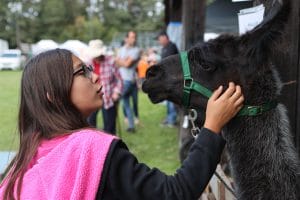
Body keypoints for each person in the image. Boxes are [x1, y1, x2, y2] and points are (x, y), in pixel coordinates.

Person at [0, 49, 244, 200]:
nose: (94, 76)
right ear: (52, 95)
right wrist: (212, 126)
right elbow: (174, 193)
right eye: (82, 72)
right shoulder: (90, 150)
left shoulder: (25, 163)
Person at [86, 39, 123, 135]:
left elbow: (119, 80)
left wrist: (116, 93)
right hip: (92, 98)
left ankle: (110, 145)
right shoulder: (88, 64)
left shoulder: (111, 61)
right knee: (90, 125)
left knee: (109, 126)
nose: (96, 57)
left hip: (108, 97)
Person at [115, 31, 140, 133]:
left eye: (134, 37)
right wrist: (123, 61)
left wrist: (121, 61)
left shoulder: (136, 50)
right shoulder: (121, 50)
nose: (133, 39)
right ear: (126, 39)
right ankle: (131, 125)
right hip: (123, 80)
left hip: (130, 81)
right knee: (125, 103)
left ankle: (131, 123)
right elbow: (116, 62)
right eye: (131, 37)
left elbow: (127, 64)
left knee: (129, 102)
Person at [157, 31, 179, 127]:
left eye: (159, 39)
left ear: (165, 37)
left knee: (171, 100)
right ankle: (169, 118)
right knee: (168, 99)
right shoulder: (165, 48)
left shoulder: (171, 46)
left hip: (172, 78)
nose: (159, 41)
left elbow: (167, 63)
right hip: (167, 78)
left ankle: (172, 120)